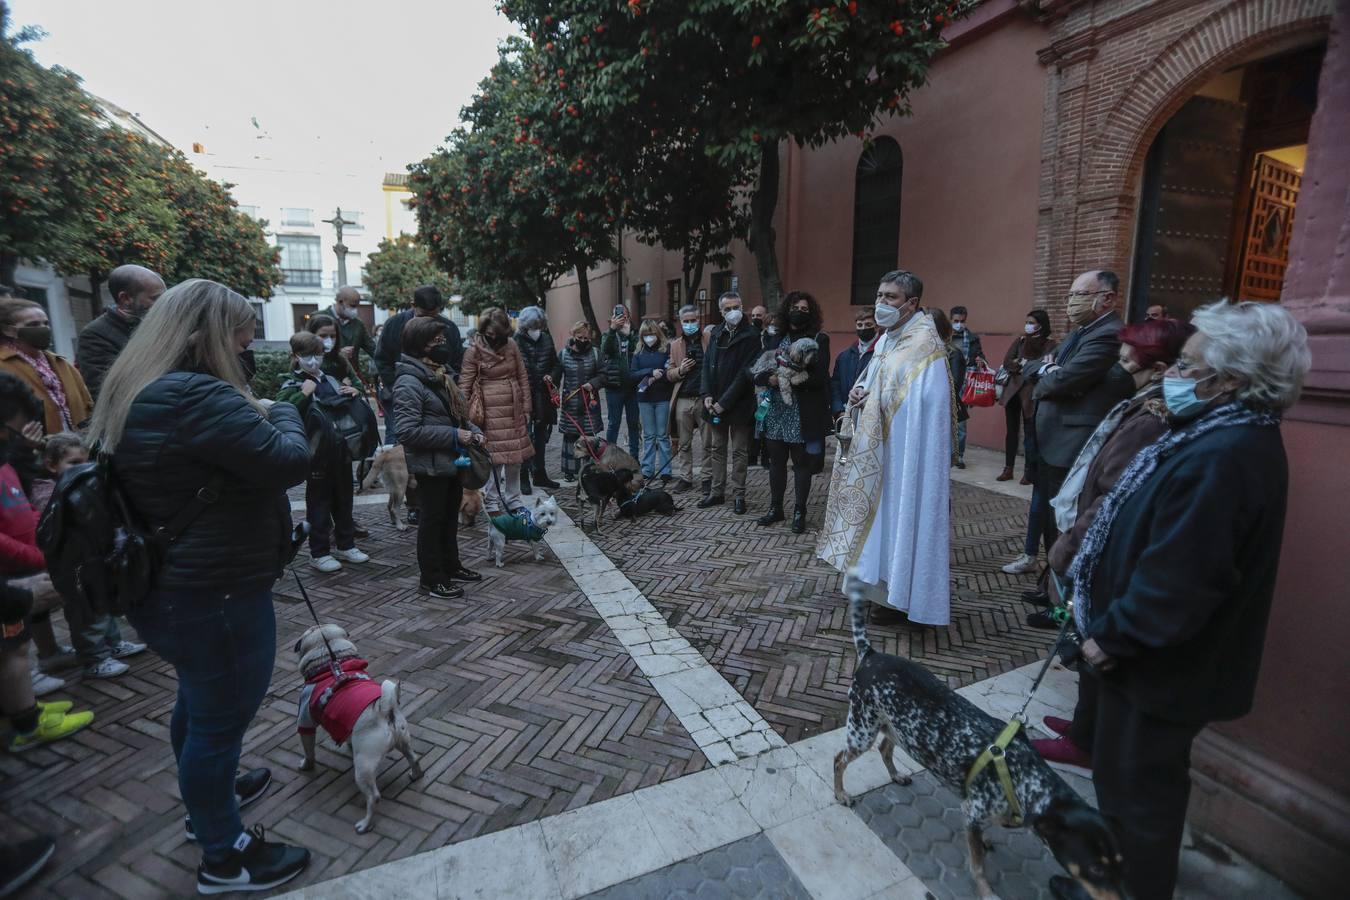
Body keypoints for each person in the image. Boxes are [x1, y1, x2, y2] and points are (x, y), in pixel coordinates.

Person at [1069, 301, 1309, 900]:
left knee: (1138, 801)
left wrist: (1111, 637)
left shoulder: (1226, 454)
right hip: (1152, 666)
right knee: (1124, 791)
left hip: (1158, 670)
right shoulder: (1215, 433)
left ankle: (1128, 891)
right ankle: (1108, 886)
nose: (1175, 372)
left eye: (1190, 364)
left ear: (1229, 381)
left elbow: (1181, 578)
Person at [88, 278, 312, 892]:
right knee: (218, 723)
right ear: (209, 335)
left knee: (201, 705)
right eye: (241, 333)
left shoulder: (142, 387)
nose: (247, 345)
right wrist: (284, 405)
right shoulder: (193, 397)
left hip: (176, 587)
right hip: (214, 593)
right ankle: (225, 855)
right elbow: (288, 459)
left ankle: (206, 801)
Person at [1030, 316, 1191, 768]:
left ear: (1155, 366)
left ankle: (1086, 742)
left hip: (1105, 546)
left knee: (1094, 636)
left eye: (1128, 357)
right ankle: (1085, 726)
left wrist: (1067, 549)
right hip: (1097, 538)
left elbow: (1111, 498)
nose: (1119, 365)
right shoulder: (1141, 404)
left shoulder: (1151, 418)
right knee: (1086, 634)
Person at [819, 270, 952, 626]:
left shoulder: (924, 347)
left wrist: (874, 397)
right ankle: (870, 586)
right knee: (876, 522)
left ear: (912, 303)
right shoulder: (890, 339)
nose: (882, 303)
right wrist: (858, 392)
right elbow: (875, 381)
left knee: (897, 519)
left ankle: (897, 597)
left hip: (902, 456)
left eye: (890, 297)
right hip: (877, 450)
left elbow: (923, 405)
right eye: (879, 295)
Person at [1023, 271, 1133, 602]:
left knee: (1067, 522)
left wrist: (1049, 374)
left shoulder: (1109, 335)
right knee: (1048, 519)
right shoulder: (1080, 333)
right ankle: (1049, 585)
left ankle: (1062, 599)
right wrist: (1046, 370)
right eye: (1071, 295)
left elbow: (1062, 381)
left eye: (1080, 295)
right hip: (1051, 441)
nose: (1072, 302)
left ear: (1108, 298)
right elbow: (1032, 367)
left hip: (1072, 443)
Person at [28, 432, 147, 678]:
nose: (82, 468)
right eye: (73, 463)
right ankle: (94, 659)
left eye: (85, 462)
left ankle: (112, 644)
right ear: (51, 465)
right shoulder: (48, 492)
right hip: (75, 564)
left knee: (106, 600)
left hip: (96, 557)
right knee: (86, 611)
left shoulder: (87, 484)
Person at [393, 317, 483, 600]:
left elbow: (458, 414)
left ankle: (451, 566)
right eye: (436, 342)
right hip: (430, 466)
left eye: (442, 341)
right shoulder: (409, 382)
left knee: (447, 517)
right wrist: (454, 435)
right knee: (431, 522)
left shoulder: (441, 374)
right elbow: (407, 431)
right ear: (421, 346)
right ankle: (431, 579)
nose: (443, 345)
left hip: (451, 461)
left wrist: (475, 432)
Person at [276, 332, 370, 573]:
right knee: (319, 503)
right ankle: (319, 552)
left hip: (341, 450)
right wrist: (304, 393)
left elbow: (344, 407)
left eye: (318, 354)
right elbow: (284, 411)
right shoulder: (292, 382)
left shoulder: (329, 378)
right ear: (295, 356)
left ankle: (345, 544)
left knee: (344, 500)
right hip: (316, 454)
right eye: (307, 355)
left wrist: (353, 393)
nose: (314, 360)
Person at [754, 291, 831, 533]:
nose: (799, 311)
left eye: (805, 309)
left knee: (801, 464)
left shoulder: (819, 338)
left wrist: (790, 379)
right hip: (774, 409)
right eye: (795, 307)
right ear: (786, 310)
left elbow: (819, 378)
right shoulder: (775, 338)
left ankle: (800, 511)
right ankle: (775, 508)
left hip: (801, 411)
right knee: (775, 461)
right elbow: (758, 371)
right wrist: (771, 379)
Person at [461, 308, 534, 515]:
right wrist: (464, 417)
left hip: (513, 407)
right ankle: (491, 501)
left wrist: (527, 407)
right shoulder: (473, 350)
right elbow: (464, 385)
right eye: (489, 334)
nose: (493, 337)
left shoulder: (512, 345)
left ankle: (514, 499)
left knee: (515, 458)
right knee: (493, 459)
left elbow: (522, 376)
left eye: (497, 334)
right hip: (488, 410)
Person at [374, 285, 463, 444]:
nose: (428, 321)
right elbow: (382, 359)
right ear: (413, 305)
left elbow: (456, 362)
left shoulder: (449, 328)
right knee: (397, 439)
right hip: (400, 394)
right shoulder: (394, 324)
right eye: (423, 315)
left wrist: (448, 386)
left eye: (433, 316)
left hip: (438, 398)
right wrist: (395, 386)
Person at [700, 292, 760, 514]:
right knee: (717, 448)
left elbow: (745, 374)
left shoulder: (752, 335)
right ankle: (717, 492)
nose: (732, 312)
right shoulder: (715, 333)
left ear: (742, 306)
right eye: (727, 309)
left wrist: (724, 402)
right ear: (721, 311)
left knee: (739, 451)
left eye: (736, 307)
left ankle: (739, 495)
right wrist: (706, 393)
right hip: (714, 402)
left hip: (739, 403)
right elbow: (707, 365)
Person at [0, 298, 93, 435]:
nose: (43, 328)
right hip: (31, 453)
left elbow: (88, 405)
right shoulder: (3, 367)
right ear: (9, 330)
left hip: (77, 449)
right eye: (34, 324)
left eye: (46, 323)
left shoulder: (61, 364)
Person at [77, 264, 166, 400]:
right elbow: (103, 391)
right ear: (125, 298)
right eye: (155, 298)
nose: (164, 304)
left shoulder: (157, 324)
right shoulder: (95, 335)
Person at [994, 310, 1055, 483]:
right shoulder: (1020, 341)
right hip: (1012, 391)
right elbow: (1007, 362)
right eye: (1027, 322)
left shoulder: (1049, 344)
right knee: (1011, 431)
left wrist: (1023, 364)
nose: (1027, 325)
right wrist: (1025, 365)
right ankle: (1008, 469)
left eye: (1031, 322)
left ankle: (1029, 472)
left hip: (1031, 394)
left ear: (1041, 325)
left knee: (1030, 433)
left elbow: (1043, 366)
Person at [547, 323, 607, 482]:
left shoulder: (595, 353)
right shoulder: (563, 354)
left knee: (588, 437)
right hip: (570, 402)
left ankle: (587, 470)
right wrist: (551, 380)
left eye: (586, 338)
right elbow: (557, 374)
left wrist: (593, 384)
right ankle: (569, 471)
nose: (583, 340)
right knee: (570, 436)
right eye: (579, 337)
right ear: (573, 336)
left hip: (589, 403)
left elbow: (603, 375)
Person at [515, 306, 561, 492]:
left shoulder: (546, 339)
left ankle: (540, 474)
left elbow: (556, 364)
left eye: (540, 326)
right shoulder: (515, 341)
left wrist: (552, 376)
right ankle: (523, 475)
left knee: (541, 437)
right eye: (534, 326)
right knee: (524, 437)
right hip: (523, 397)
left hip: (543, 396)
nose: (537, 329)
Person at [665, 305, 706, 492]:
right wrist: (680, 370)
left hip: (705, 397)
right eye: (686, 321)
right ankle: (685, 477)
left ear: (699, 319)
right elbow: (669, 373)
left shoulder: (709, 340)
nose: (690, 324)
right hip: (683, 398)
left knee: (709, 442)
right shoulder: (675, 345)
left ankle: (707, 478)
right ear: (681, 322)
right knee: (683, 443)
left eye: (693, 320)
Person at [631, 320, 673, 483]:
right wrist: (650, 372)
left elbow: (670, 372)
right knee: (648, 436)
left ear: (658, 334)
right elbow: (633, 374)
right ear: (642, 336)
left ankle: (665, 469)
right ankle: (647, 468)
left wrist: (661, 374)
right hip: (644, 399)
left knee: (662, 435)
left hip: (662, 397)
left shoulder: (666, 350)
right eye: (646, 335)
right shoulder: (638, 353)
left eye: (652, 334)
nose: (649, 337)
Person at [948, 306, 985, 468]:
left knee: (961, 422)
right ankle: (943, 453)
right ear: (950, 320)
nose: (959, 324)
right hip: (944, 382)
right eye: (956, 321)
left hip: (964, 384)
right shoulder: (943, 337)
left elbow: (981, 356)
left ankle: (959, 455)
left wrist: (980, 360)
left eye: (962, 321)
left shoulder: (972, 338)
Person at [601, 306, 641, 460]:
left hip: (632, 387)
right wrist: (613, 330)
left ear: (629, 317)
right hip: (614, 387)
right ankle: (610, 458)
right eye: (618, 315)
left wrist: (629, 334)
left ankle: (634, 458)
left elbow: (637, 351)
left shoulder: (634, 334)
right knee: (614, 423)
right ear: (612, 317)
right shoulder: (608, 334)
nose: (621, 318)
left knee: (633, 423)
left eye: (624, 315)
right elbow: (606, 349)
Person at [831, 307, 880, 424]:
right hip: (846, 416)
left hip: (872, 416)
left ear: (877, 326)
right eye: (860, 325)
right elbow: (835, 385)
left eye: (868, 324)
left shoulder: (882, 354)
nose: (863, 328)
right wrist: (839, 410)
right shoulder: (844, 357)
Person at [317, 286, 378, 376]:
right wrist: (337, 354)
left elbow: (373, 348)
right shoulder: (318, 318)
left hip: (351, 377)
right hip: (324, 376)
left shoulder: (358, 324)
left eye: (357, 306)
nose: (355, 310)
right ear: (340, 302)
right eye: (352, 306)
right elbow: (307, 349)